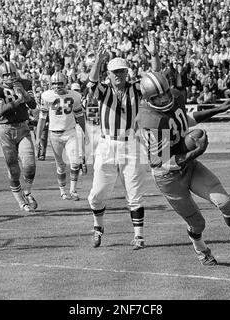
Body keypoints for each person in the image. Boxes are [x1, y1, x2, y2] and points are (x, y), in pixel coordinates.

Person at [137, 72, 230, 266]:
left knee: (227, 203)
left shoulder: (176, 97)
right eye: (158, 97)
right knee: (198, 223)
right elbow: (161, 162)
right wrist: (196, 152)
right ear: (148, 99)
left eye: (165, 93)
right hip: (168, 177)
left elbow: (186, 119)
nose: (165, 98)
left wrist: (219, 109)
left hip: (188, 165)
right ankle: (201, 250)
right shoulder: (151, 121)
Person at [87, 33, 160, 250]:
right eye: (115, 72)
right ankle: (98, 227)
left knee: (135, 192)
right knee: (98, 193)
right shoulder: (104, 90)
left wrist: (154, 54)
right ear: (108, 74)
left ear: (127, 72)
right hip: (107, 143)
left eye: (122, 71)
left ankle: (139, 236)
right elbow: (91, 83)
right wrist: (98, 61)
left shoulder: (135, 88)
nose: (119, 75)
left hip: (131, 144)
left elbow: (155, 78)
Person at [0, 60, 38, 212]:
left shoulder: (25, 83)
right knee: (14, 169)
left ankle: (27, 191)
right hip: (5, 130)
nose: (10, 77)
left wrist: (23, 93)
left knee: (30, 164)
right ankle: (20, 202)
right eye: (6, 75)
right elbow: (2, 110)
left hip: (23, 127)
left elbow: (33, 105)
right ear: (1, 77)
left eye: (12, 74)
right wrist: (18, 101)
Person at [35, 72, 86, 201]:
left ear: (66, 83)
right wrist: (38, 137)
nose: (57, 86)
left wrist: (86, 131)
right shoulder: (47, 96)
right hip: (54, 134)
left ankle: (73, 190)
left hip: (70, 132)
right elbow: (42, 118)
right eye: (55, 84)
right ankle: (63, 191)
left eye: (60, 83)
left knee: (75, 163)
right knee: (61, 165)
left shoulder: (74, 95)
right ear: (51, 84)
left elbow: (80, 115)